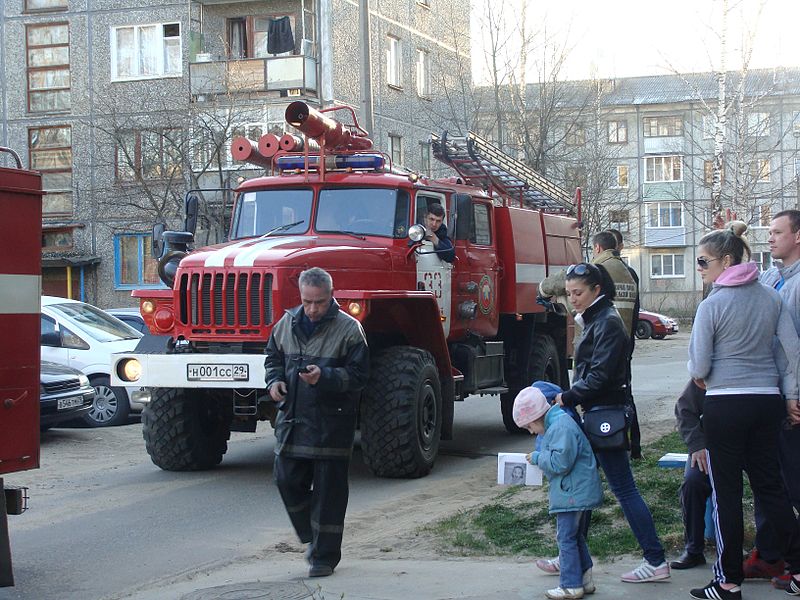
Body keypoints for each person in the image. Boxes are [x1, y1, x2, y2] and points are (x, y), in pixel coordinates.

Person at [687, 221, 800, 600]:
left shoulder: (713, 304)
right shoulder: (771, 297)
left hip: (726, 404)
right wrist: (789, 394)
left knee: (727, 494)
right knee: (771, 488)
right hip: (766, 400)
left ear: (727, 260)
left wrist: (704, 374)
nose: (700, 268)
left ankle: (728, 581)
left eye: (703, 261)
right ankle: (798, 567)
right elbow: (790, 352)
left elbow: (699, 366)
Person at [555, 262, 670, 584]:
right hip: (599, 412)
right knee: (586, 488)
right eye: (568, 294)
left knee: (622, 488)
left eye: (577, 293)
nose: (572, 299)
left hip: (605, 413)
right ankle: (572, 551)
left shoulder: (605, 322)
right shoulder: (598, 319)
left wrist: (568, 396)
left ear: (597, 290)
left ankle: (655, 559)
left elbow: (601, 376)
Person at [264, 267, 370, 578]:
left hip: (331, 425)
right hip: (293, 419)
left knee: (329, 494)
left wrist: (325, 377)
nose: (312, 309)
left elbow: (361, 377)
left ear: (331, 296)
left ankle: (323, 558)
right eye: (307, 302)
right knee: (285, 479)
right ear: (300, 296)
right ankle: (312, 533)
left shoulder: (350, 330)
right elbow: (272, 357)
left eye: (320, 303)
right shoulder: (286, 323)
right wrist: (274, 382)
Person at [743, 209, 800, 587]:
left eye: (778, 232)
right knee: (767, 477)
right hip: (767, 394)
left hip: (792, 398)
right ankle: (771, 554)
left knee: (792, 480)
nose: (770, 237)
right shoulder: (769, 277)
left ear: (798, 236)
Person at [514, 386, 603, 600]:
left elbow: (560, 463)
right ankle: (584, 578)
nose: (531, 432)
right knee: (576, 536)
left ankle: (571, 585)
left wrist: (537, 458)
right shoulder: (559, 423)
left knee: (565, 538)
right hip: (576, 491)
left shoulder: (559, 428)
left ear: (537, 417)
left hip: (571, 494)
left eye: (529, 426)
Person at [606, 228, 643, 459]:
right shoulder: (630, 274)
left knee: (614, 396)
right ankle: (633, 447)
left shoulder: (602, 272)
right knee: (626, 393)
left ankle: (618, 445)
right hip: (626, 342)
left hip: (609, 344)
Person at [670, 380, 712, 570]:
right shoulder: (706, 372)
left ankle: (768, 552)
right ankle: (694, 549)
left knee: (768, 485)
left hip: (752, 443)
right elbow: (684, 408)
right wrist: (697, 445)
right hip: (709, 444)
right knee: (693, 483)